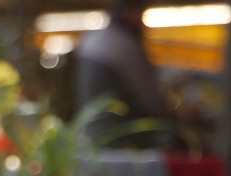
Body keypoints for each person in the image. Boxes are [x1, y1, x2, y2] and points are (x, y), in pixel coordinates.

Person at [73, 0, 176, 148]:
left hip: (92, 137)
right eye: (140, 14)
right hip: (123, 141)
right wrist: (173, 119)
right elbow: (149, 97)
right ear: (129, 12)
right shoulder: (123, 44)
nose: (142, 21)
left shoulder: (92, 40)